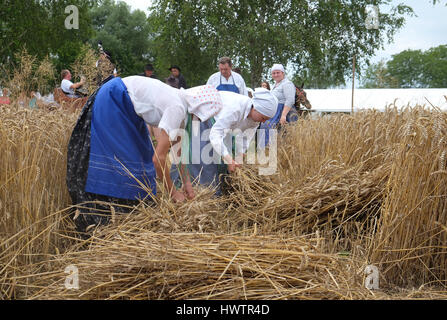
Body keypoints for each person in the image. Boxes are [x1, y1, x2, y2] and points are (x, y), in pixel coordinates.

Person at [66, 76, 222, 234]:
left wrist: (187, 185)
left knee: (142, 159)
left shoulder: (181, 103)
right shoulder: (178, 107)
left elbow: (178, 152)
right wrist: (173, 193)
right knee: (128, 163)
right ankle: (108, 220)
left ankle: (127, 213)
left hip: (127, 107)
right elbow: (158, 159)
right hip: (115, 99)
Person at [171, 88, 278, 194]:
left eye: (266, 119)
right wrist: (228, 159)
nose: (263, 121)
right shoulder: (234, 109)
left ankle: (219, 188)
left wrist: (239, 155)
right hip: (203, 115)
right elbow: (215, 134)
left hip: (221, 126)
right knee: (201, 156)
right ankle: (201, 192)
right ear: (255, 108)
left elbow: (244, 137)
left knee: (221, 156)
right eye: (263, 117)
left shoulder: (255, 119)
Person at [259, 64, 298, 147]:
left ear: (283, 73)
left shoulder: (287, 84)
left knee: (279, 132)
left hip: (284, 111)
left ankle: (273, 151)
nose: (276, 75)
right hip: (275, 110)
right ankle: (266, 151)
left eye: (278, 72)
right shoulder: (276, 85)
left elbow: (290, 100)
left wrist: (283, 115)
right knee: (264, 126)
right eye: (273, 73)